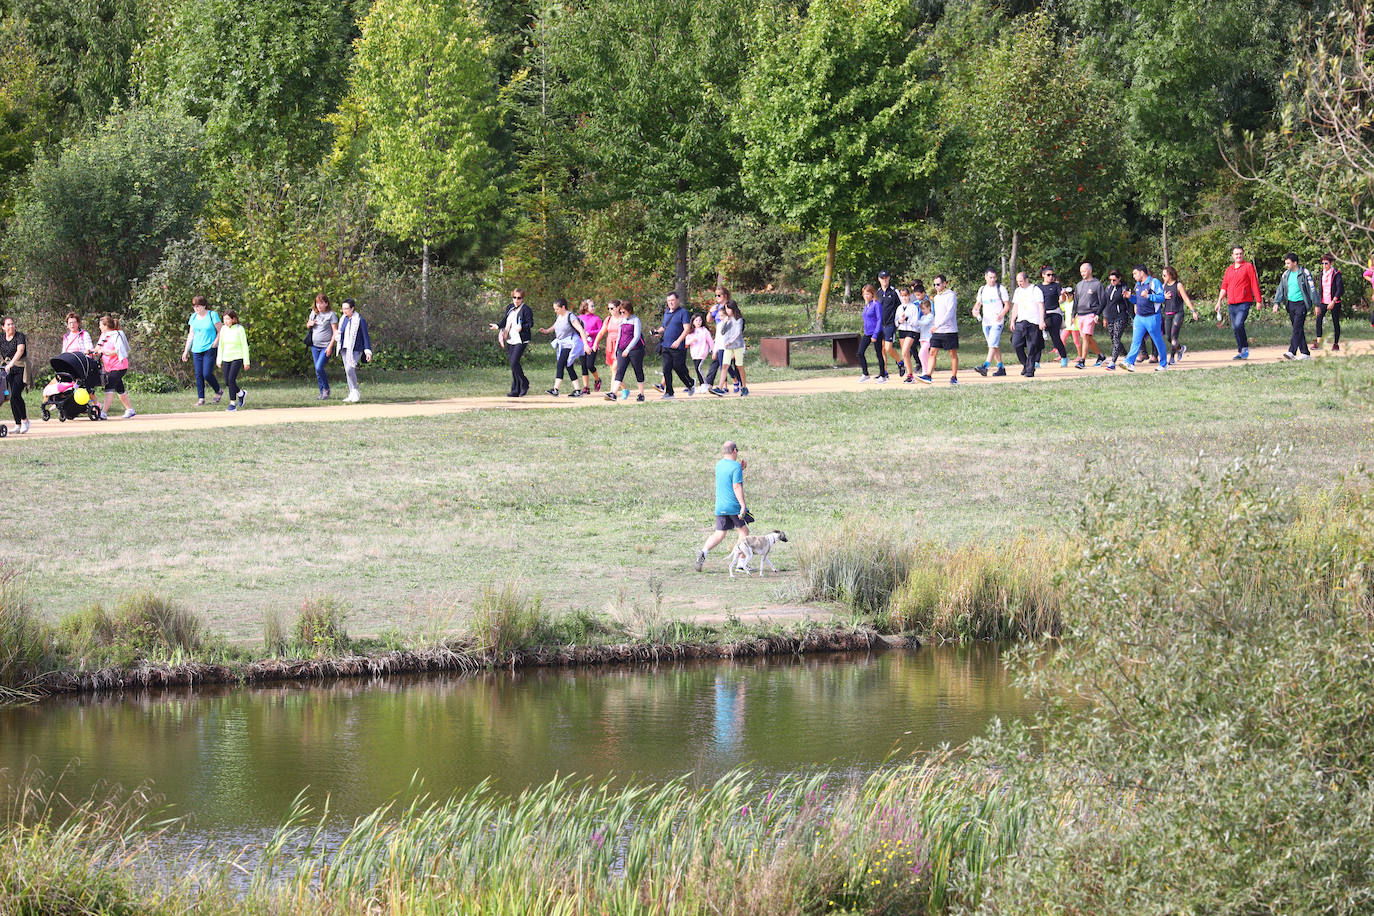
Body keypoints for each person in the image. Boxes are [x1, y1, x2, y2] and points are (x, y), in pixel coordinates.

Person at [694, 441, 749, 572]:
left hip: (720, 505)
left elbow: (727, 476)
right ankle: (741, 563)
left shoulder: (719, 465)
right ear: (735, 451)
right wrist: (742, 505)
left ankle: (703, 552)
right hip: (733, 505)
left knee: (720, 533)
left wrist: (740, 469)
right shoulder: (735, 466)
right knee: (744, 532)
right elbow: (736, 486)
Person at [1216, 245, 1262, 360]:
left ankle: (1245, 348)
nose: (1238, 256)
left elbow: (1254, 283)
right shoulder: (1229, 269)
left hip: (1244, 302)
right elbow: (1224, 287)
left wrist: (1258, 300)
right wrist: (1219, 301)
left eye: (1240, 253)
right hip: (1232, 303)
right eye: (1236, 254)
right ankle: (1241, 350)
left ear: (1243, 254)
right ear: (1232, 256)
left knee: (1238, 324)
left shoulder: (1248, 266)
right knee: (1235, 327)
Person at [540, 298, 589, 396]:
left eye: (557, 309)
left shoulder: (571, 316)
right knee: (569, 366)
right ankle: (578, 390)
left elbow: (581, 330)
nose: (555, 311)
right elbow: (555, 325)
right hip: (562, 344)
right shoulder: (559, 316)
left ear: (563, 307)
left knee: (561, 364)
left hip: (570, 344)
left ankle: (555, 389)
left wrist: (586, 345)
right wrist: (546, 331)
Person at [1273, 252, 1318, 360]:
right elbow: (1281, 289)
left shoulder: (1304, 273)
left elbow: (1312, 289)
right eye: (1286, 263)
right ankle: (1305, 353)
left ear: (1295, 263)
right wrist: (1276, 303)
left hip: (1301, 304)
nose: (1286, 265)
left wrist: (1316, 304)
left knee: (1297, 327)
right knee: (1298, 328)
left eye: (1288, 263)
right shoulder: (1286, 275)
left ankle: (1291, 351)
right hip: (1291, 304)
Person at [1123, 265, 1168, 372]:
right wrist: (1130, 297)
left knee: (1158, 341)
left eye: (1135, 273)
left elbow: (1162, 298)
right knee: (1136, 341)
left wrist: (1149, 296)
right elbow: (1138, 300)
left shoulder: (1154, 282)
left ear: (1142, 272)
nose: (1133, 276)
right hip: (1139, 317)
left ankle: (1163, 364)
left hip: (1152, 317)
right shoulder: (1138, 284)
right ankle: (1129, 363)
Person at [181, 295, 224, 405]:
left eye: (198, 306)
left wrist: (216, 343)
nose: (196, 308)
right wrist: (186, 351)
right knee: (198, 374)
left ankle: (218, 390)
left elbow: (221, 330)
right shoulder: (193, 317)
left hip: (210, 348)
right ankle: (201, 398)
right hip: (196, 349)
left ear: (204, 306)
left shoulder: (212, 315)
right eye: (194, 306)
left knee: (207, 373)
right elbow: (191, 334)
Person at [490, 288, 533, 398]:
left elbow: (530, 324)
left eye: (519, 298)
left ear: (522, 299)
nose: (516, 300)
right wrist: (498, 326)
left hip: (521, 339)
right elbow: (505, 320)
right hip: (510, 338)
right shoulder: (510, 308)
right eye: (514, 297)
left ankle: (525, 383)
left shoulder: (526, 309)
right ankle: (515, 389)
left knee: (514, 362)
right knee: (513, 365)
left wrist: (522, 327)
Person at [653, 291, 695, 399]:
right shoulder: (667, 313)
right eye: (668, 301)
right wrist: (657, 332)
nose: (670, 302)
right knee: (666, 369)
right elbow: (664, 327)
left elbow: (686, 329)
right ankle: (669, 392)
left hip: (678, 347)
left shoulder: (683, 312)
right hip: (666, 345)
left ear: (677, 300)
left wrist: (678, 341)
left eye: (672, 300)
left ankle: (690, 382)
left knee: (678, 368)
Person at [94, 315, 135, 419]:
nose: (99, 327)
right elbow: (98, 348)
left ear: (106, 325)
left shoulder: (117, 335)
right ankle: (130, 409)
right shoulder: (104, 336)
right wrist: (92, 352)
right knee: (119, 388)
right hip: (109, 367)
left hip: (119, 366)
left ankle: (103, 412)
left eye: (100, 325)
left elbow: (118, 351)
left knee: (109, 386)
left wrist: (105, 352)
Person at [604, 301, 647, 402]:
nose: (622, 314)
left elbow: (636, 336)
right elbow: (620, 335)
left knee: (638, 370)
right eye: (621, 312)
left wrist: (628, 349)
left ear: (629, 310)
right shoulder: (622, 320)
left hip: (635, 350)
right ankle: (613, 393)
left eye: (624, 312)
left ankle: (641, 394)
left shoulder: (636, 320)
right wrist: (616, 349)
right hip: (622, 349)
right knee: (620, 370)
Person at [971, 269, 1010, 377]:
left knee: (992, 344)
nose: (992, 280)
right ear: (985, 277)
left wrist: (1001, 314)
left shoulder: (1000, 289)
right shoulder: (982, 289)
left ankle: (985, 366)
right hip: (986, 322)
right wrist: (975, 310)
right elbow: (978, 304)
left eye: (994, 277)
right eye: (990, 277)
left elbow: (1007, 305)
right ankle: (1001, 367)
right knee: (993, 346)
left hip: (997, 322)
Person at [923, 275, 960, 385]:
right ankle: (928, 375)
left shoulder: (951, 295)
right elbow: (937, 314)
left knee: (952, 353)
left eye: (938, 284)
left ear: (944, 283)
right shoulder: (936, 297)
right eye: (934, 284)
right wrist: (934, 325)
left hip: (949, 330)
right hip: (938, 330)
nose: (936, 286)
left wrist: (937, 325)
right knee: (932, 352)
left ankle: (954, 377)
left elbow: (950, 313)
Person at [335, 299, 373, 402]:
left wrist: (367, 350)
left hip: (356, 349)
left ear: (352, 308)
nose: (344, 311)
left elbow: (365, 336)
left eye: (347, 308)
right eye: (343, 308)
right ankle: (351, 392)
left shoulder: (360, 319)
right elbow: (340, 331)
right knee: (348, 372)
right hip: (344, 348)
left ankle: (355, 391)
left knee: (349, 369)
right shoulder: (343, 319)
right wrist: (338, 336)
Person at [1160, 267, 1200, 364]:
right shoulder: (1163, 286)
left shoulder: (1178, 285)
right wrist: (1163, 297)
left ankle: (1172, 358)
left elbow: (1186, 298)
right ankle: (1180, 349)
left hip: (1178, 313)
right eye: (1162, 275)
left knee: (1174, 337)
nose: (1163, 277)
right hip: (1167, 313)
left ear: (1171, 274)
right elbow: (1159, 299)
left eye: (1165, 275)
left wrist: (1193, 311)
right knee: (1168, 337)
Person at [1010, 271, 1045, 377]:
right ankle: (1026, 364)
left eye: (1021, 281)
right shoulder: (1018, 291)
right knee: (1016, 344)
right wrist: (1012, 320)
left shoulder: (1035, 290)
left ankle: (1030, 370)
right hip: (1020, 321)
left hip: (1033, 322)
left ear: (1026, 280)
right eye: (1017, 281)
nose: (1019, 283)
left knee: (1032, 346)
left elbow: (1041, 306)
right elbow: (1015, 306)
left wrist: (1041, 320)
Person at [1073, 262, 1106, 369]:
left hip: (1091, 313)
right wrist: (1073, 315)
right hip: (1080, 315)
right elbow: (1076, 301)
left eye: (1084, 271)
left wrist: (1098, 314)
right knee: (1087, 337)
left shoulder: (1097, 284)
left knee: (1086, 337)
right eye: (1081, 271)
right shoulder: (1079, 285)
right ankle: (1100, 356)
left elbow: (1103, 301)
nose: (1082, 273)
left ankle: (1082, 361)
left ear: (1090, 271)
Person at [712, 303, 749, 396]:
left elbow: (738, 333)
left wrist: (730, 341)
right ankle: (720, 387)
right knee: (724, 366)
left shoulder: (738, 320)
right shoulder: (727, 320)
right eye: (726, 309)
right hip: (728, 347)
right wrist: (725, 322)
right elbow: (722, 332)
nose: (727, 311)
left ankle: (744, 387)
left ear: (733, 309)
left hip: (737, 346)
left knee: (739, 366)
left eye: (728, 309)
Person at [306, 294, 339, 399]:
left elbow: (335, 332)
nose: (319, 305)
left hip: (326, 346)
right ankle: (322, 392)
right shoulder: (314, 313)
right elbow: (308, 325)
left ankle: (326, 389)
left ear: (326, 303)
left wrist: (330, 347)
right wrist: (309, 324)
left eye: (321, 303)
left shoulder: (331, 315)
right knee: (317, 369)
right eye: (317, 303)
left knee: (319, 367)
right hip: (315, 346)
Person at [216, 310, 250, 410]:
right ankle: (241, 393)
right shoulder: (223, 329)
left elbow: (244, 345)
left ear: (233, 319)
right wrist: (219, 359)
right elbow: (221, 345)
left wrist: (246, 362)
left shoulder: (240, 329)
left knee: (231, 380)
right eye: (224, 319)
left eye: (227, 319)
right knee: (227, 381)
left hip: (237, 357)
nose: (225, 321)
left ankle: (232, 404)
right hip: (226, 357)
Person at [1036, 267, 1070, 368]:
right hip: (1043, 314)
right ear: (1043, 275)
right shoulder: (1038, 287)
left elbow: (1062, 300)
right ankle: (1036, 361)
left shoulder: (1056, 286)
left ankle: (1063, 357)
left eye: (1052, 275)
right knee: (1038, 338)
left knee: (1055, 336)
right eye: (1048, 275)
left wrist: (1063, 295)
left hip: (1055, 313)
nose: (1051, 277)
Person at [1, 316, 29, 433]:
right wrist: (3, 363)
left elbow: (20, 350)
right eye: (8, 324)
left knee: (16, 394)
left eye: (12, 324)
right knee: (11, 397)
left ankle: (25, 421)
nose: (11, 326)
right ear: (3, 327)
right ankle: (17, 425)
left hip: (20, 367)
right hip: (7, 369)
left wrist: (11, 363)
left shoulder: (19, 336)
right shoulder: (1, 338)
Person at [1314, 254, 1344, 352]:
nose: (1324, 265)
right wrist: (1317, 303)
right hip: (1323, 300)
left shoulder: (1336, 273)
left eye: (1326, 263)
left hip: (1334, 301)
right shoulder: (1322, 273)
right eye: (1322, 263)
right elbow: (1320, 288)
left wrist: (1334, 301)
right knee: (1318, 319)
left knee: (1335, 322)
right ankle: (1319, 342)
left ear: (1331, 263)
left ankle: (1335, 344)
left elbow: (1340, 289)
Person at [1102, 269, 1131, 370]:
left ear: (1119, 279)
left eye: (1114, 280)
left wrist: (1133, 316)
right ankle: (1126, 354)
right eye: (1111, 280)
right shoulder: (1109, 288)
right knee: (1113, 338)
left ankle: (1112, 362)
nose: (1112, 282)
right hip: (1110, 317)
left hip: (1121, 316)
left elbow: (1129, 303)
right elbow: (1104, 302)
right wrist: (1100, 315)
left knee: (1116, 338)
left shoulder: (1124, 288)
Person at [857, 284, 886, 382]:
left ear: (872, 294)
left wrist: (875, 334)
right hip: (867, 333)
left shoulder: (876, 304)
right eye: (864, 294)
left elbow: (879, 320)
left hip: (876, 332)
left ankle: (883, 375)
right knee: (860, 352)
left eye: (868, 294)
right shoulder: (867, 305)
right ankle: (865, 374)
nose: (866, 296)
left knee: (879, 353)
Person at [876, 270, 902, 375]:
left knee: (888, 348)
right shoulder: (877, 293)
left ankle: (900, 362)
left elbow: (901, 307)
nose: (884, 280)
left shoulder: (894, 292)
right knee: (882, 349)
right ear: (879, 279)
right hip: (880, 325)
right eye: (882, 278)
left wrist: (898, 321)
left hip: (890, 324)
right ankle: (884, 372)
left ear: (889, 278)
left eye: (886, 277)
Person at [895, 286, 921, 383]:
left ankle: (910, 375)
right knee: (905, 354)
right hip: (902, 330)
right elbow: (896, 322)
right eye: (902, 296)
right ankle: (909, 375)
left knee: (905, 351)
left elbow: (915, 322)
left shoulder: (913, 307)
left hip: (911, 331)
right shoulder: (899, 308)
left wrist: (906, 318)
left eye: (906, 296)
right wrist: (899, 321)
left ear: (909, 296)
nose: (904, 298)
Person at [578, 300, 604, 390]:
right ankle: (586, 387)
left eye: (594, 306)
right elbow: (576, 330)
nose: (593, 308)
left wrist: (590, 333)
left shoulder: (596, 318)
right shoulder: (579, 318)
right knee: (583, 366)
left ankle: (597, 379)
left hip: (592, 345)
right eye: (591, 306)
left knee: (590, 365)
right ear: (585, 307)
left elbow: (601, 330)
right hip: (582, 345)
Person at [914, 285, 935, 382]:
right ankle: (926, 370)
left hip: (928, 338)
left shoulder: (930, 316)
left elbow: (924, 323)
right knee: (925, 355)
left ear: (929, 308)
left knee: (921, 354)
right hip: (922, 338)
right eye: (922, 309)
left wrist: (916, 322)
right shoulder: (922, 317)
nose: (922, 311)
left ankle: (926, 370)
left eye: (924, 309)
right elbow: (919, 327)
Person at [594, 299, 622, 375]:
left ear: (618, 307)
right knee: (613, 371)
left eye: (612, 308)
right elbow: (601, 333)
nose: (610, 310)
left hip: (619, 346)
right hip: (610, 346)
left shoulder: (623, 319)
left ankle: (614, 387)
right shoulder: (608, 319)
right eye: (608, 308)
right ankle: (624, 387)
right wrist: (595, 343)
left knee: (614, 368)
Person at [686, 313, 713, 387]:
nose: (698, 322)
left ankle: (704, 384)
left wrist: (713, 350)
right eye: (696, 320)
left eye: (700, 320)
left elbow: (710, 341)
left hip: (702, 353)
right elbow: (686, 342)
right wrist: (692, 340)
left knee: (698, 368)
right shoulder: (691, 331)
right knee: (697, 369)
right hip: (694, 354)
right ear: (693, 322)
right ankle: (702, 384)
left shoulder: (704, 331)